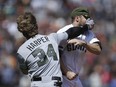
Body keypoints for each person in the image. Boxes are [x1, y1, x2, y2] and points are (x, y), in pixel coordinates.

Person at [16, 12, 92, 87]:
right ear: (36, 25)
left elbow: (25, 71)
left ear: (22, 31)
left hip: (37, 84)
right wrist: (87, 26)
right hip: (54, 83)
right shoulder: (52, 38)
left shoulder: (21, 51)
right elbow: (71, 32)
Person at [57, 7, 102, 87]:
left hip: (76, 78)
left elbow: (98, 49)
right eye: (86, 18)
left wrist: (85, 44)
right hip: (62, 77)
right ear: (77, 18)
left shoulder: (88, 33)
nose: (89, 21)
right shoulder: (64, 31)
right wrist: (66, 72)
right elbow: (56, 55)